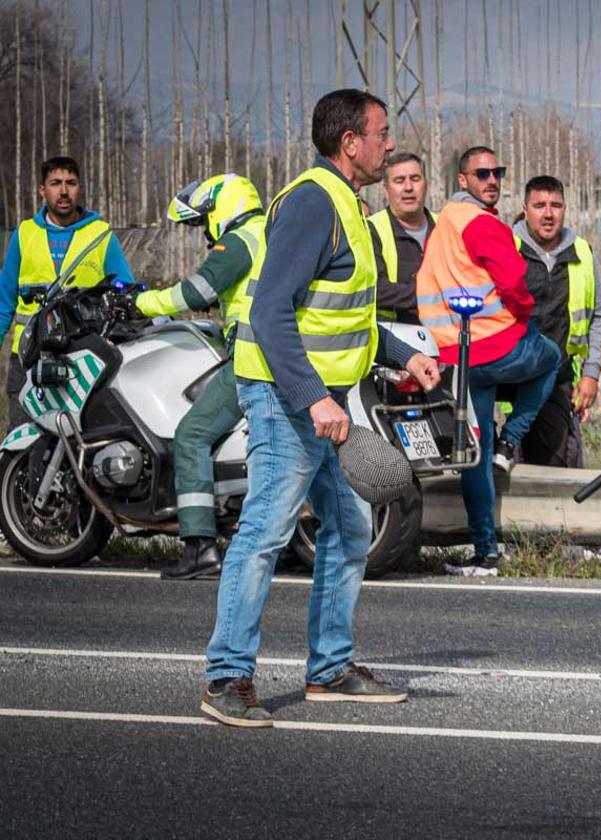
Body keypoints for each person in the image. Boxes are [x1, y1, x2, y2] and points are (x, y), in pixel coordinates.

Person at [202, 89, 441, 728]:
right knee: (263, 535)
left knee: (349, 527)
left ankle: (330, 669)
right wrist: (313, 400)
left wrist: (399, 351)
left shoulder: (348, 205)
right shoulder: (313, 203)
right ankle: (226, 677)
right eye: (382, 133)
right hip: (287, 399)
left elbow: (347, 313)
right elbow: (270, 312)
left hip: (319, 400)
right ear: (351, 144)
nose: (390, 144)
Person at [416, 146, 560, 576]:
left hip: (454, 355)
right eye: (482, 174)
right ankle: (510, 439)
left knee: (471, 457)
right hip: (498, 344)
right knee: (551, 360)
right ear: (463, 181)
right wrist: (524, 310)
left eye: (497, 172)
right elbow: (513, 280)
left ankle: (486, 552)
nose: (492, 180)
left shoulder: (442, 223)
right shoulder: (483, 223)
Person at [134, 173, 266, 581]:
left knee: (192, 434)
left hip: (252, 358)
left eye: (205, 221)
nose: (206, 232)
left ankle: (199, 546)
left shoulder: (238, 240)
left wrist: (141, 301)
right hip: (274, 354)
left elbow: (195, 292)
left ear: (221, 207)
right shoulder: (268, 233)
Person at [0, 156, 135, 430]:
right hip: (27, 358)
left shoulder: (101, 235)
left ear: (79, 188)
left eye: (71, 183)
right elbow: (4, 302)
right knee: (21, 445)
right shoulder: (24, 235)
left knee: (78, 443)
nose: (63, 191)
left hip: (83, 360)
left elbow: (126, 292)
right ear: (42, 190)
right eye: (55, 183)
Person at [512, 175, 601, 467]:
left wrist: (591, 373)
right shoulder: (507, 247)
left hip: (559, 382)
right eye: (539, 205)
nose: (548, 213)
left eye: (555, 205)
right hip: (509, 385)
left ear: (565, 208)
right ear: (525, 208)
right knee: (509, 473)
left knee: (558, 471)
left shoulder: (581, 250)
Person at [367, 152, 436, 325]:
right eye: (399, 180)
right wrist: (431, 295)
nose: (408, 187)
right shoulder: (371, 229)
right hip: (393, 343)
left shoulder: (445, 226)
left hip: (448, 341)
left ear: (426, 184)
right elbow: (375, 289)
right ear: (386, 189)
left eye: (415, 178)